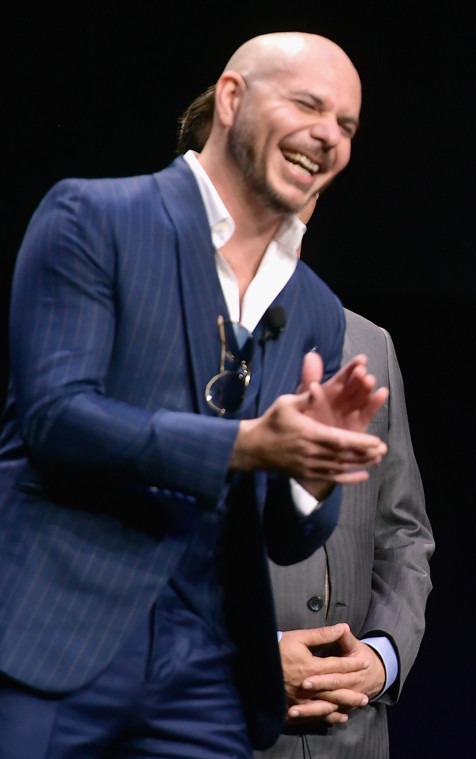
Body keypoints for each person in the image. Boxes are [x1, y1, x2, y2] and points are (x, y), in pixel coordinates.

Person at [0, 32, 393, 758]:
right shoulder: (96, 218)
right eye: (308, 104)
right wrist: (246, 445)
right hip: (54, 631)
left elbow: (287, 534)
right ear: (232, 99)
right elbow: (55, 418)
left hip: (205, 664)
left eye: (346, 125)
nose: (327, 136)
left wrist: (311, 473)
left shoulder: (314, 308)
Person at [175, 85, 434, 759]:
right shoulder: (152, 327)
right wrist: (246, 658)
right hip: (203, 726)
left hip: (350, 735)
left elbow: (403, 535)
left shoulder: (365, 343)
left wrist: (380, 658)